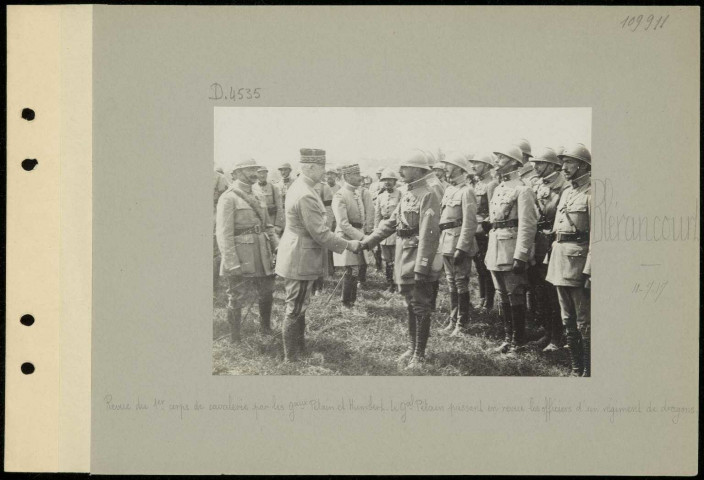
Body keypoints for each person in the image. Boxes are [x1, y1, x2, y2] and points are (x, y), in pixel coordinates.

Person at [275, 148, 361, 362]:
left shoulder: (302, 187)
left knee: (300, 304)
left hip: (299, 253)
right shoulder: (305, 193)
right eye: (322, 167)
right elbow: (321, 233)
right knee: (295, 307)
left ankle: (299, 351)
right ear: (311, 167)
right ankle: (291, 358)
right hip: (300, 256)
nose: (325, 171)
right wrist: (350, 245)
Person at [361, 151, 442, 369]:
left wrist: (422, 266)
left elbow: (429, 234)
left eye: (405, 167)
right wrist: (368, 242)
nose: (400, 171)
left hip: (416, 257)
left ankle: (420, 354)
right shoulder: (408, 193)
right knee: (409, 304)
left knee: (420, 305)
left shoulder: (428, 193)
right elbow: (391, 222)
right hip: (403, 254)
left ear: (418, 170)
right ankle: (412, 346)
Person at [215, 157, 280, 342]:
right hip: (241, 254)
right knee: (236, 295)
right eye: (248, 169)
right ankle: (235, 337)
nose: (253, 173)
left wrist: (277, 247)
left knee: (267, 290)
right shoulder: (228, 198)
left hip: (262, 252)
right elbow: (223, 234)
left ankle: (265, 328)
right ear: (236, 173)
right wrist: (231, 263)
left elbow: (268, 226)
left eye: (255, 169)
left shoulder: (258, 195)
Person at [485, 144, 538, 354]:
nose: (497, 161)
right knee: (502, 295)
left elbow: (527, 225)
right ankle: (508, 338)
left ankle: (519, 341)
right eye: (496, 158)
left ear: (515, 162)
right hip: (496, 246)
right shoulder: (498, 188)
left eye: (501, 158)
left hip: (511, 248)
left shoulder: (522, 189)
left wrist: (521, 255)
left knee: (515, 294)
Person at [546, 143, 592, 376]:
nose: (564, 167)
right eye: (563, 162)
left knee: (584, 321)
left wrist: (590, 270)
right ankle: (576, 368)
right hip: (560, 260)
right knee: (567, 318)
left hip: (579, 264)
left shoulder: (593, 193)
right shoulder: (566, 192)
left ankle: (588, 371)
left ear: (583, 165)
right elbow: (558, 231)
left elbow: (597, 237)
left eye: (569, 162)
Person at [525, 147, 569, 352]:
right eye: (534, 163)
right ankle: (548, 332)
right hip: (537, 243)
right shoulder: (536, 183)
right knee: (539, 290)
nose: (535, 167)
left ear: (553, 165)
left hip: (552, 243)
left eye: (540, 163)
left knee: (554, 292)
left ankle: (558, 337)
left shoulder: (563, 186)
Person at [437, 152, 478, 336]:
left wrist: (462, 247)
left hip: (458, 243)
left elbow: (470, 223)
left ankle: (462, 323)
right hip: (446, 241)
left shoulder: (467, 191)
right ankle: (453, 320)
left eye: (449, 165)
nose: (446, 168)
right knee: (451, 283)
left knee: (461, 283)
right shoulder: (449, 190)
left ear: (459, 169)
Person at [332, 163, 374, 307]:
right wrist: (362, 237)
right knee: (351, 270)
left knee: (356, 269)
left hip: (357, 234)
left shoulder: (356, 193)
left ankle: (351, 301)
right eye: (356, 175)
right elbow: (343, 223)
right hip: (347, 237)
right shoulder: (340, 195)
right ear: (347, 177)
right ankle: (346, 302)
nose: (359, 177)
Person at [468, 152, 499, 313]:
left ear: (487, 166)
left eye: (477, 163)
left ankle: (489, 302)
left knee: (486, 267)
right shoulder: (475, 185)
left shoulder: (492, 184)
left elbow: (493, 210)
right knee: (479, 267)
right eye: (472, 163)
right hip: (474, 230)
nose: (473, 166)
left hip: (485, 231)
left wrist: (487, 228)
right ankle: (482, 298)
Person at [420, 151, 447, 313]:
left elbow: (435, 209)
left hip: (433, 230)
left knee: (431, 267)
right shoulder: (429, 183)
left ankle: (430, 304)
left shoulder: (433, 184)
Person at [374, 168, 402, 292]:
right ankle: (389, 282)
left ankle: (398, 283)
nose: (387, 183)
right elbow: (377, 215)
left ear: (395, 181)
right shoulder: (380, 197)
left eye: (390, 180)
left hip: (396, 228)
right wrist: (376, 231)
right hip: (383, 226)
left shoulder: (400, 194)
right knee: (387, 258)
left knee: (397, 257)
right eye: (385, 180)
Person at [311, 179, 335, 295]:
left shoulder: (323, 187)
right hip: (305, 226)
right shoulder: (299, 185)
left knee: (319, 257)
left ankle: (318, 287)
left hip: (319, 225)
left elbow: (329, 210)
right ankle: (309, 286)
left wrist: (326, 227)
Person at [252, 166, 285, 236]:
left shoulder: (274, 188)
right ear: (256, 174)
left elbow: (279, 207)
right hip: (260, 225)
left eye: (264, 173)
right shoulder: (252, 188)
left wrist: (278, 225)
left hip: (272, 223)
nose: (262, 175)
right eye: (259, 173)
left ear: (267, 174)